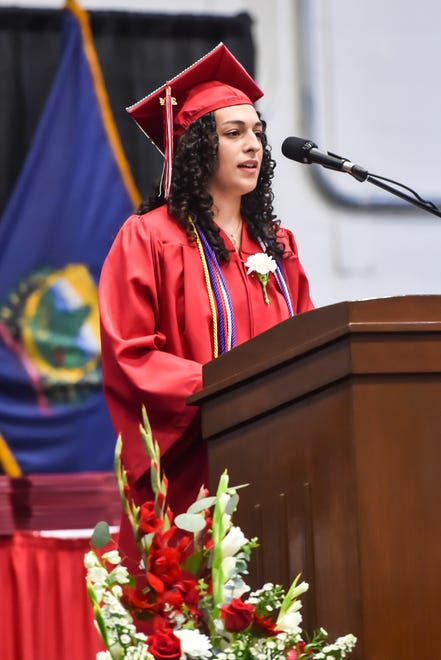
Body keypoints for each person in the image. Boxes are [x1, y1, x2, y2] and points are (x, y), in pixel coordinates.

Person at [98, 43, 314, 574]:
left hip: (280, 467)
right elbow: (130, 356)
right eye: (233, 133)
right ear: (195, 146)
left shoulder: (276, 245)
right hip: (193, 471)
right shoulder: (149, 238)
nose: (254, 146)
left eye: (257, 133)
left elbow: (312, 344)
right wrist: (231, 391)